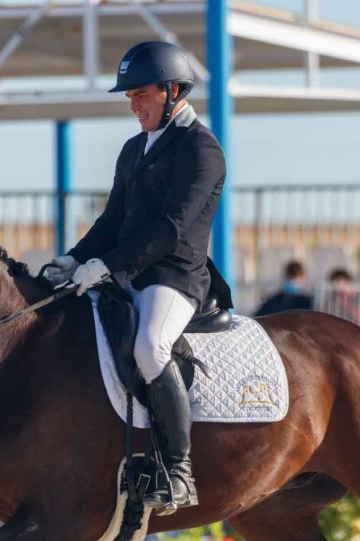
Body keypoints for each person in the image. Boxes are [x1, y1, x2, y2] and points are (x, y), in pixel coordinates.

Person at [41, 40, 230, 514]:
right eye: (129, 97)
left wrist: (109, 266)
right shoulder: (132, 150)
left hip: (175, 276)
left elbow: (171, 228)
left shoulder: (201, 150)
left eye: (140, 94)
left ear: (171, 91)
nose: (134, 104)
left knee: (150, 346)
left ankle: (179, 471)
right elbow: (112, 221)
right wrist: (73, 258)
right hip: (128, 271)